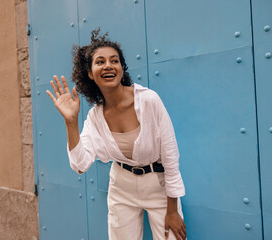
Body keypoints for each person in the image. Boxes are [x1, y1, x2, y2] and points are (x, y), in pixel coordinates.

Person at [46, 29, 187, 240]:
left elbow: (170, 156)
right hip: (122, 187)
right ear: (90, 73)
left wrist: (173, 210)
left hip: (158, 186)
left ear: (121, 68)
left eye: (114, 60)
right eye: (100, 62)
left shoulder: (149, 100)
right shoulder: (95, 117)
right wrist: (71, 122)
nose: (108, 65)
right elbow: (80, 165)